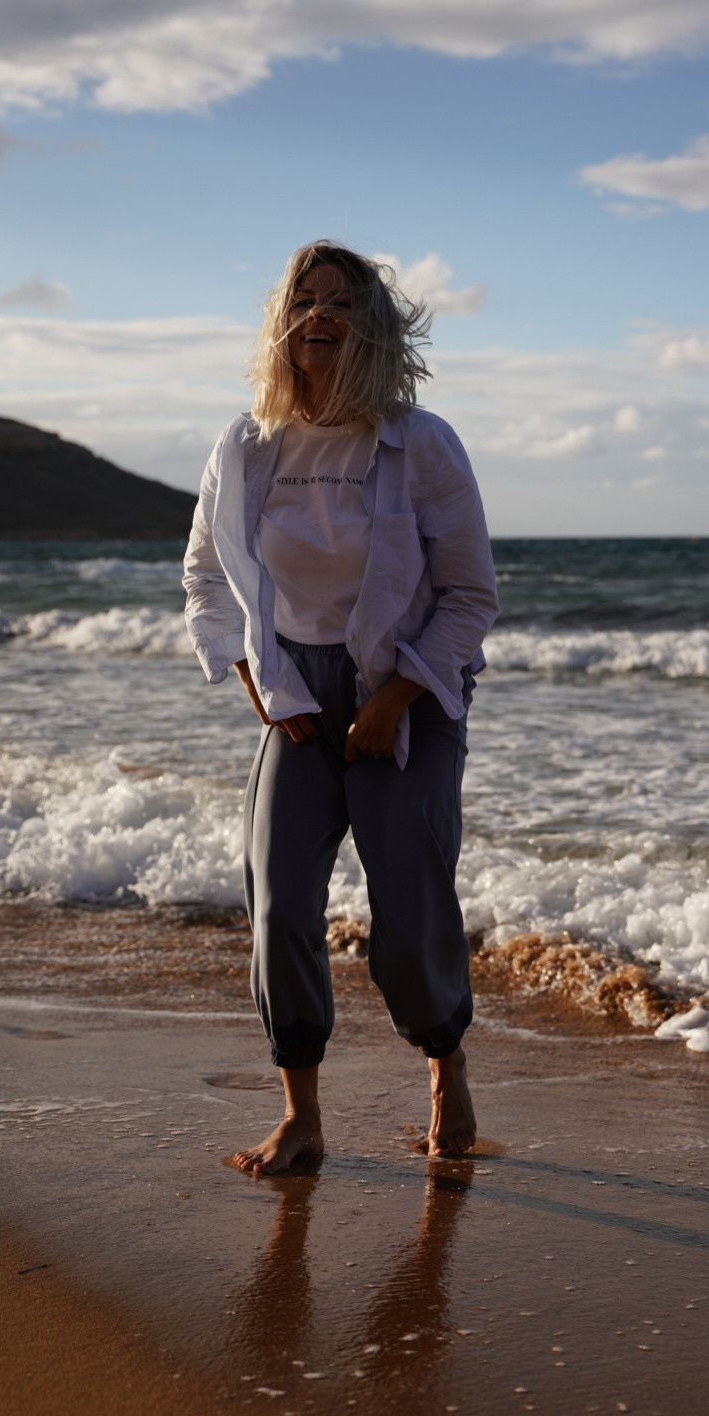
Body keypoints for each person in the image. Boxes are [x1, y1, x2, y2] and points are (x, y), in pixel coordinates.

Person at [183, 241, 498, 1175]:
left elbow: (471, 596)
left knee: (410, 909)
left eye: (341, 302)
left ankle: (445, 1062)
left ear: (373, 329)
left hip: (408, 687)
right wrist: (259, 686)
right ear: (282, 322)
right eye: (304, 300)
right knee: (279, 906)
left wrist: (395, 696)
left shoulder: (420, 442)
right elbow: (206, 578)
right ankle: (302, 1116)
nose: (319, 315)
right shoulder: (247, 445)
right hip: (296, 696)